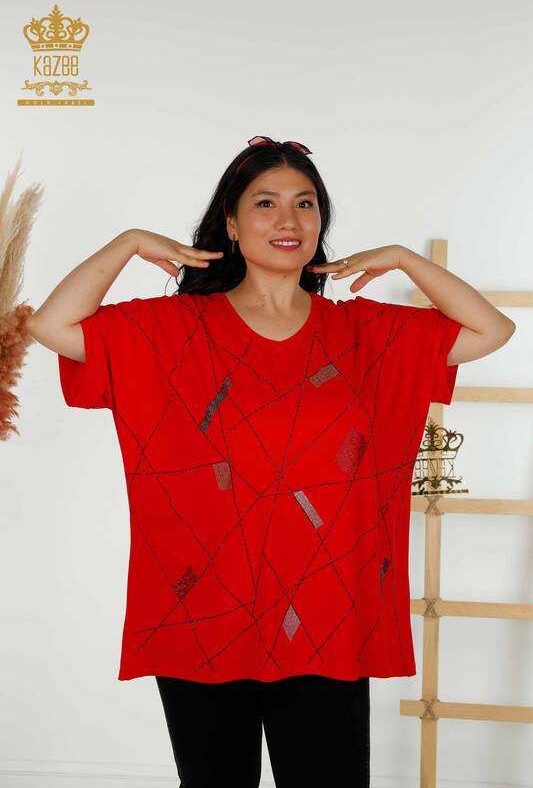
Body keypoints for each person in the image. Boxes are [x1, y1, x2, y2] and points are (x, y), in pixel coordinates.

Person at [27, 135, 516, 787]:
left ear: (320, 222)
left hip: (327, 618)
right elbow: (52, 327)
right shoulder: (171, 329)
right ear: (230, 224)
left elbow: (491, 330)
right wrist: (129, 243)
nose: (288, 219)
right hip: (204, 617)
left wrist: (403, 258)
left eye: (304, 203)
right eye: (265, 203)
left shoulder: (365, 333)